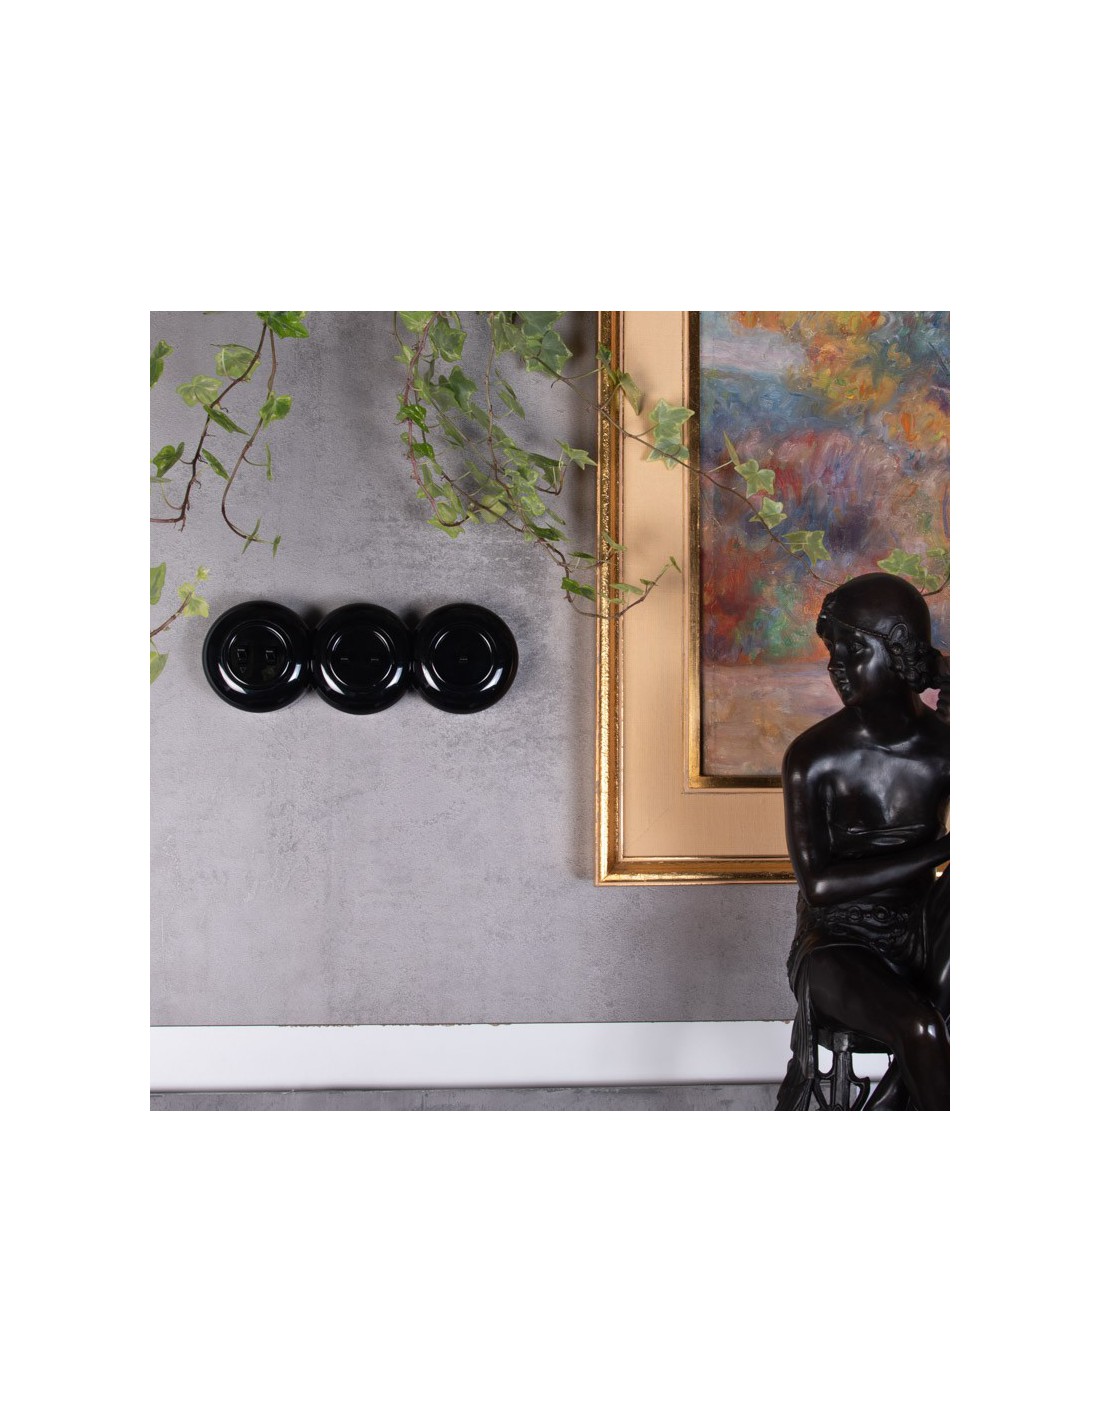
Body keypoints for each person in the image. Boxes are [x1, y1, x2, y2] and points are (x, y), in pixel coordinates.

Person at [776, 573, 950, 1111]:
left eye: (853, 650)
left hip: (923, 934)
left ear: (899, 652)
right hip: (838, 943)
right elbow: (820, 886)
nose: (836, 666)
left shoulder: (946, 746)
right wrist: (943, 849)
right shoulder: (814, 756)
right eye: (833, 652)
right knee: (922, 1029)